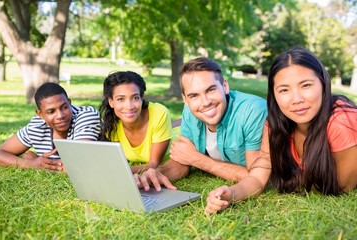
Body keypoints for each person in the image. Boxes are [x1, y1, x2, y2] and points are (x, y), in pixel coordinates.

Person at [206, 47, 357, 213]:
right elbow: (258, 176)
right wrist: (232, 193)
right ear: (274, 95)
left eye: (306, 85)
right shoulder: (276, 124)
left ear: (323, 84)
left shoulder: (342, 121)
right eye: (284, 90)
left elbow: (342, 186)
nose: (297, 99)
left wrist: (293, 178)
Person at [134, 57, 269, 213]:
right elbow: (182, 160)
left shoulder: (252, 111)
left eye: (211, 90)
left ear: (225, 86)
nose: (204, 102)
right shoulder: (191, 112)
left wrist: (197, 159)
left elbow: (255, 176)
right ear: (185, 99)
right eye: (194, 96)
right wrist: (157, 174)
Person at [0, 82, 101, 171]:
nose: (60, 116)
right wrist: (32, 164)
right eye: (51, 111)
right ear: (40, 114)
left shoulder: (86, 115)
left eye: (64, 107)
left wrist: (44, 163)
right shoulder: (36, 126)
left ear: (69, 103)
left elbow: (81, 162)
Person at [99, 71, 173, 174]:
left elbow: (154, 164)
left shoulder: (159, 113)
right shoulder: (112, 123)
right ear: (111, 102)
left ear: (142, 98)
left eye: (135, 98)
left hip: (175, 138)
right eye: (121, 99)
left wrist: (122, 171)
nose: (129, 106)